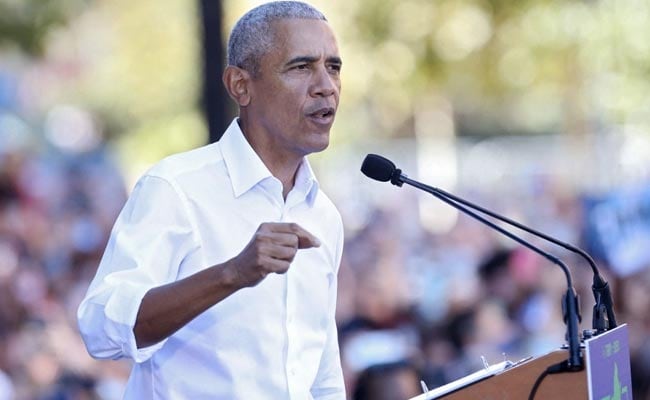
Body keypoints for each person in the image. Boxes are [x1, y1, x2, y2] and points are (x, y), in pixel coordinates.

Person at [77, 1, 345, 398]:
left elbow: (321, 378)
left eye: (334, 67)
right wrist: (231, 274)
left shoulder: (324, 214)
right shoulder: (176, 188)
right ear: (240, 85)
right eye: (301, 66)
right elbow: (101, 328)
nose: (326, 85)